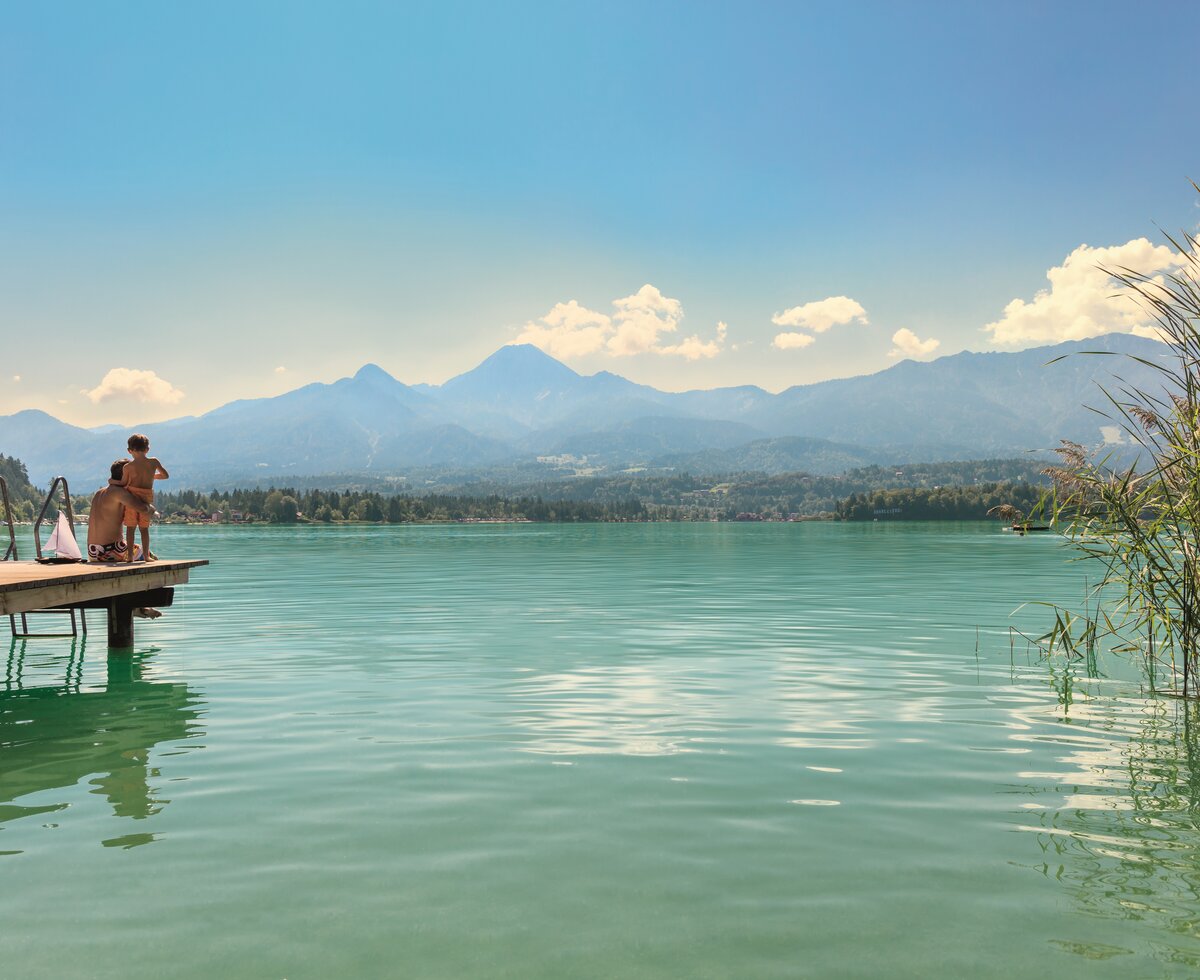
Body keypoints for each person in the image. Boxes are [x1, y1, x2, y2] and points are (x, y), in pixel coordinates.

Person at [87, 460, 162, 618]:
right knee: (148, 559)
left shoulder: (101, 492)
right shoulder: (118, 493)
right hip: (110, 550)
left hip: (94, 551)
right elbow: (142, 509)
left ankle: (136, 603)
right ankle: (138, 606)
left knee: (143, 553)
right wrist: (153, 511)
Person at [117, 433, 169, 563]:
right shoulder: (153, 462)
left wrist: (113, 481)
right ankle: (146, 556)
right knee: (144, 528)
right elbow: (165, 475)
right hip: (146, 498)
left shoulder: (128, 467)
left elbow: (123, 483)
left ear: (129, 451)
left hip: (132, 498)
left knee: (130, 527)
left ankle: (129, 556)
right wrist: (152, 476)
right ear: (147, 449)